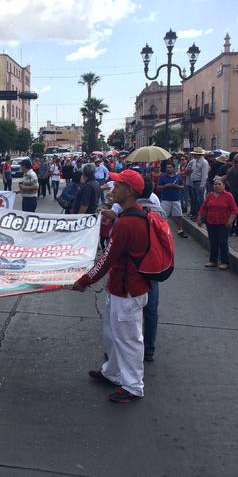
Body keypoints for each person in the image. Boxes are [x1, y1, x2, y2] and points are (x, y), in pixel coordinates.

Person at [73, 170, 149, 403]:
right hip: (121, 287)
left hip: (128, 290)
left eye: (118, 186)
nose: (113, 189)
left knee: (128, 339)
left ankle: (133, 385)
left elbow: (107, 259)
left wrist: (84, 281)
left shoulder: (126, 224)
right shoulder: (130, 217)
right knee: (114, 335)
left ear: (130, 191)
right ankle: (113, 372)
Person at [197, 177, 238, 270]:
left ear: (224, 186)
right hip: (211, 222)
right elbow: (203, 208)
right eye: (215, 184)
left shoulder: (228, 196)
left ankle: (225, 262)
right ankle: (213, 260)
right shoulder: (209, 195)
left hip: (223, 223)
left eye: (219, 184)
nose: (217, 186)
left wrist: (230, 221)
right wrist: (199, 218)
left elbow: (234, 210)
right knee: (213, 242)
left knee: (223, 242)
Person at [157, 162, 187, 238]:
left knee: (179, 215)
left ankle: (180, 230)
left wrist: (177, 186)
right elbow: (158, 187)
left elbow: (182, 186)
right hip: (165, 199)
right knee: (163, 216)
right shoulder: (163, 177)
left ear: (173, 168)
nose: (168, 169)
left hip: (176, 199)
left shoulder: (178, 177)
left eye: (170, 167)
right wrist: (165, 186)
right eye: (167, 167)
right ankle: (163, 231)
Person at [186, 147, 209, 220]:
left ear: (198, 154)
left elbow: (204, 175)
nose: (193, 155)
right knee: (195, 199)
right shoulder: (195, 161)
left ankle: (201, 216)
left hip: (199, 182)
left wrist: (201, 186)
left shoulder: (204, 163)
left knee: (200, 200)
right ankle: (196, 214)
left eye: (195, 154)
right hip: (194, 182)